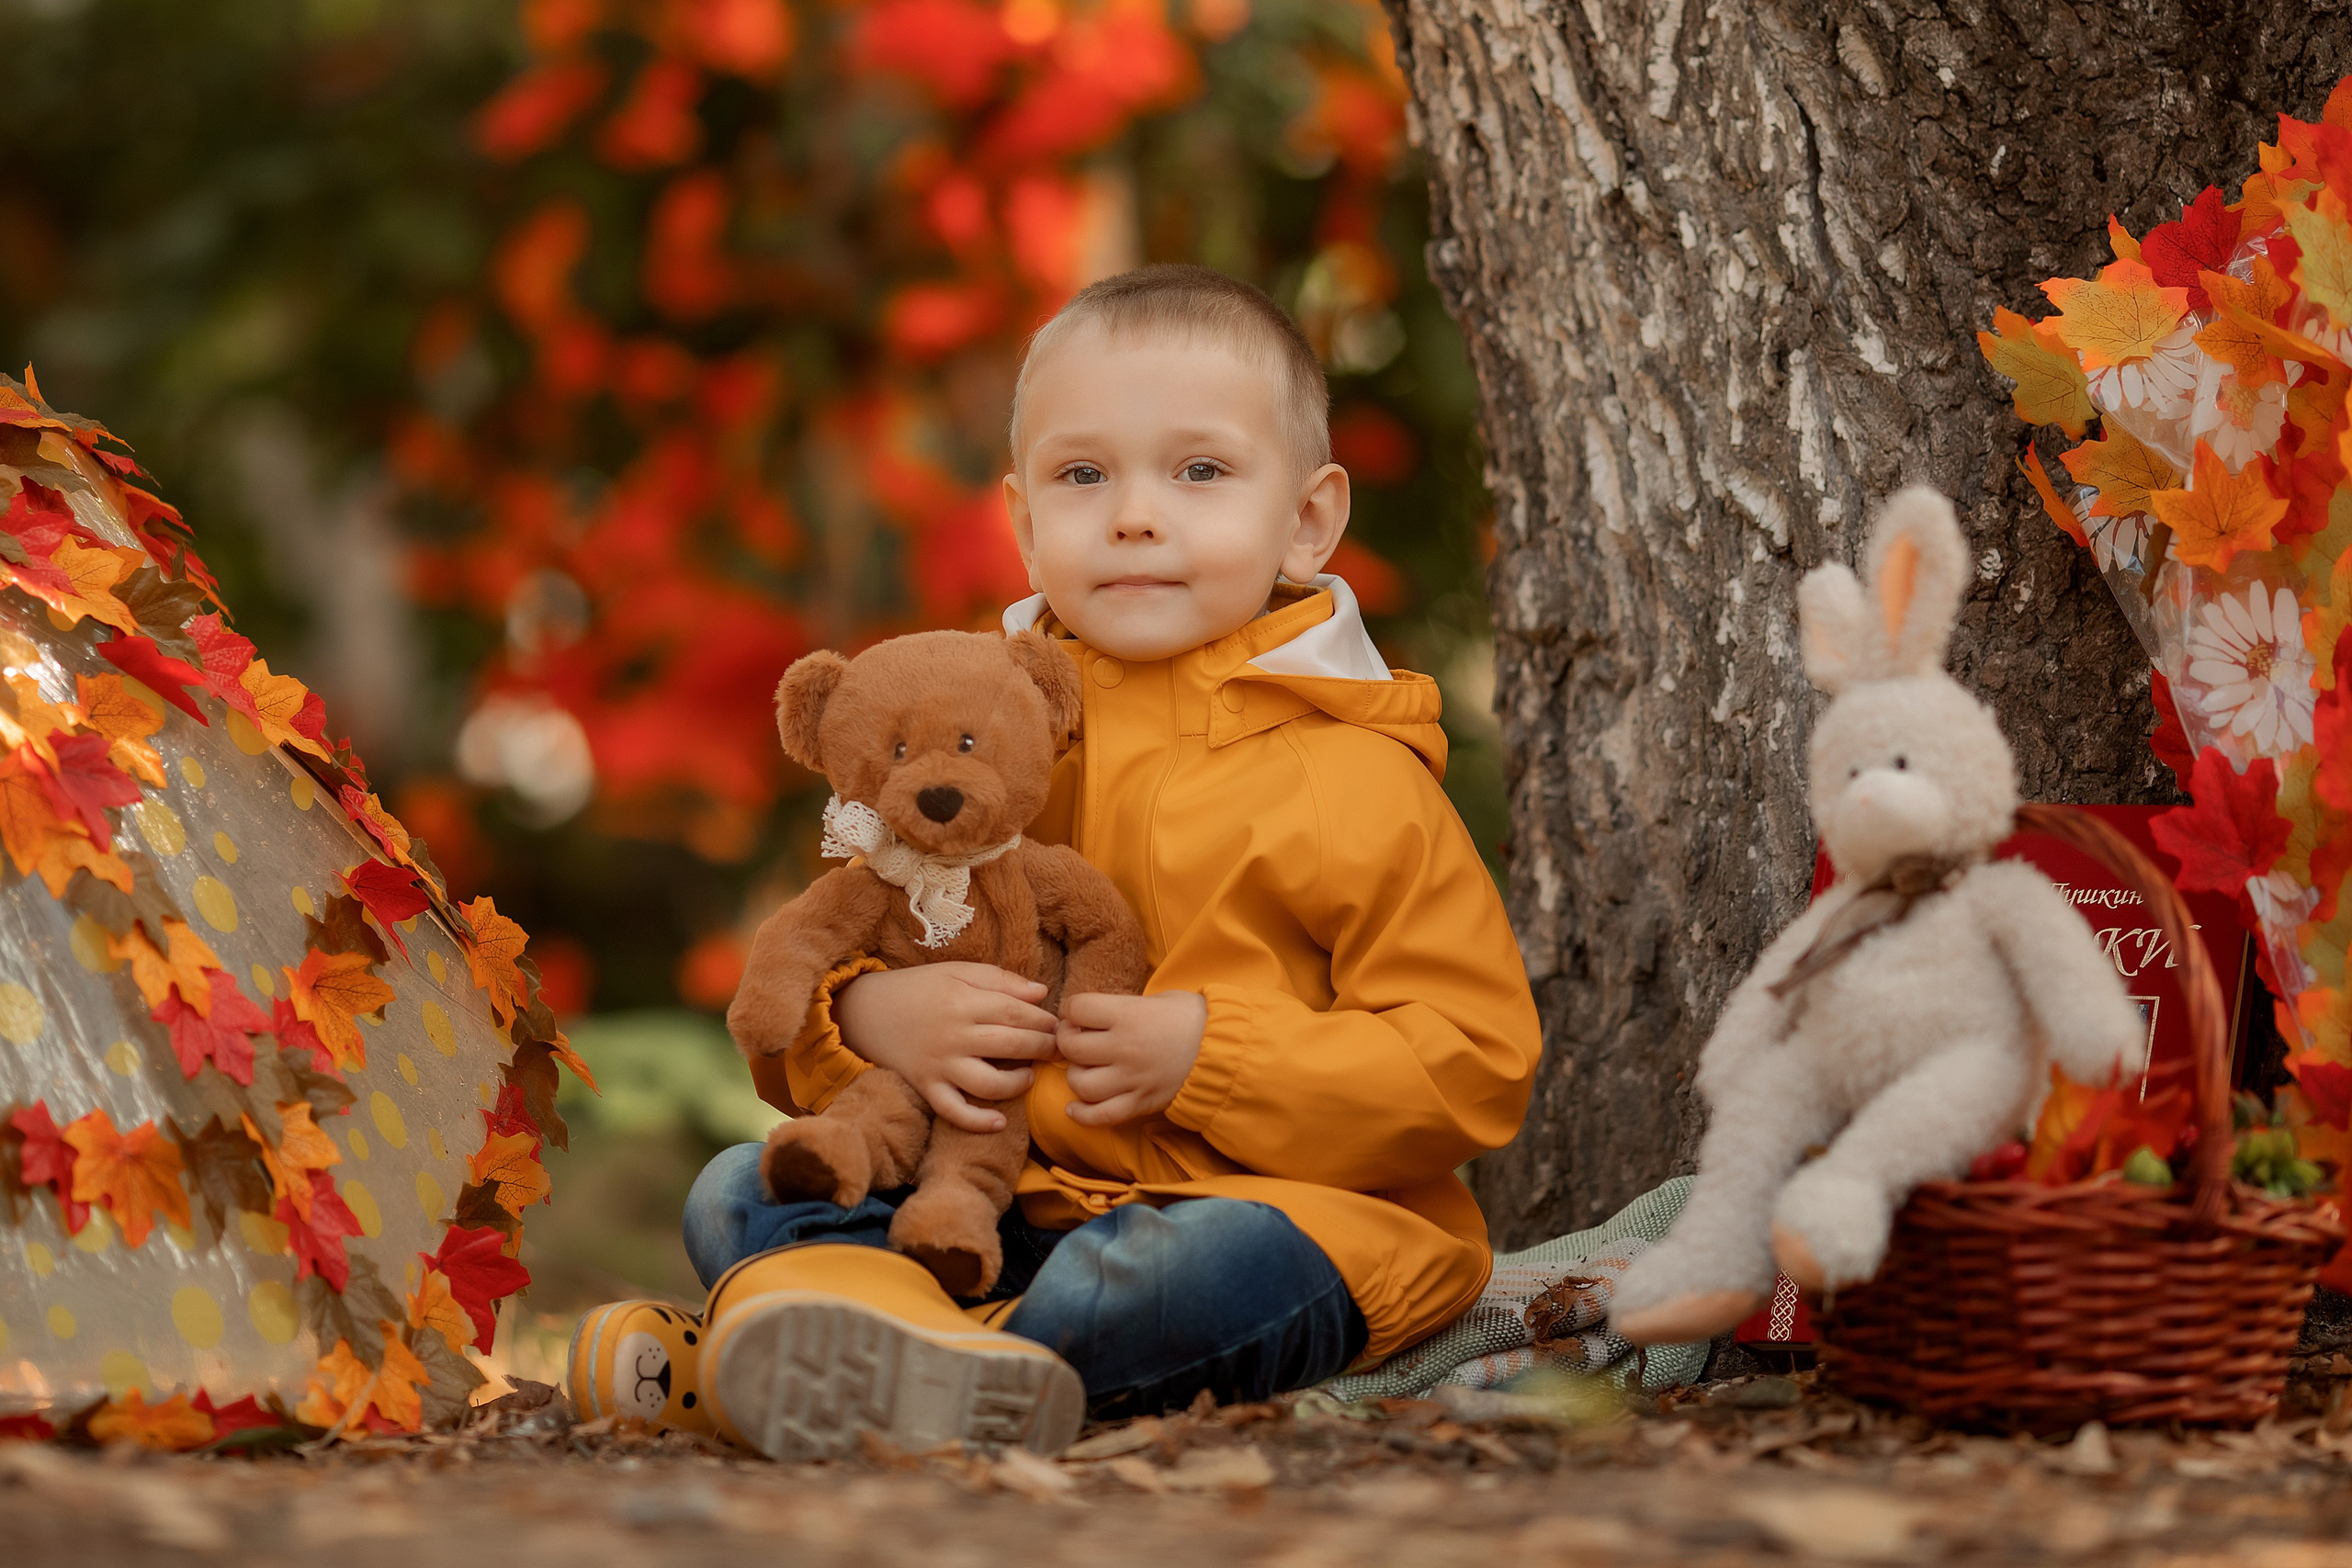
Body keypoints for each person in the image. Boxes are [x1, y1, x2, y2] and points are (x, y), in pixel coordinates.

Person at [569, 265, 1542, 1458]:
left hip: (1269, 1213)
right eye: (1085, 477)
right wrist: (873, 1018)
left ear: (1307, 519)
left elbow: (1471, 1066)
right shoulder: (984, 737)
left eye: (1199, 471)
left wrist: (1209, 1058)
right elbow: (832, 951)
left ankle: (817, 1346)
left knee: (1183, 1281)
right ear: (1027, 523)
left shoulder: (1355, 774)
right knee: (738, 1184)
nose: (1134, 515)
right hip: (996, 1196)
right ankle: (888, 1348)